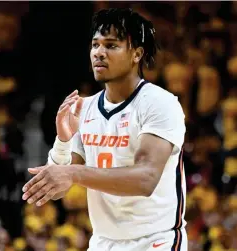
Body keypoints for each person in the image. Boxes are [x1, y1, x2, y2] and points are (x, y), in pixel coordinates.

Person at [22, 8, 187, 251]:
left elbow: (145, 179)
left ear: (136, 54)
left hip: (155, 241)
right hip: (103, 243)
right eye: (95, 45)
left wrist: (74, 173)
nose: (99, 53)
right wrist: (63, 141)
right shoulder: (85, 108)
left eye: (111, 46)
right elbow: (59, 189)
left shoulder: (159, 103)